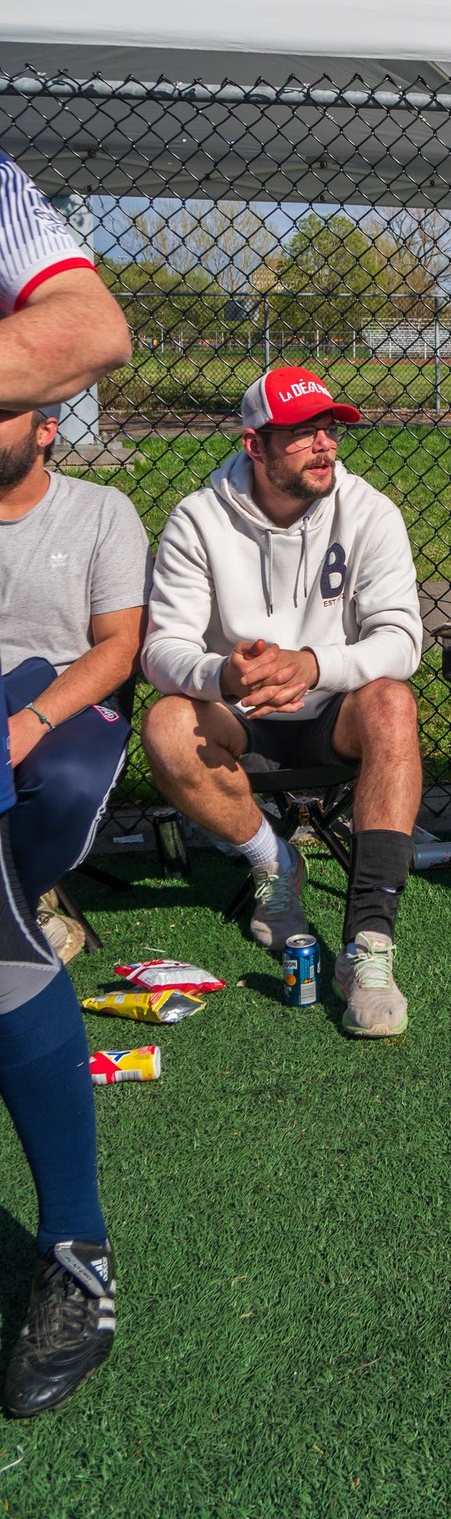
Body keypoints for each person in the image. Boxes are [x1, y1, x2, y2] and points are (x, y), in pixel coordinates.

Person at [141, 366, 424, 1038]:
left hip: (335, 710)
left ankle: (368, 946)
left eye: (329, 430)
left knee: (394, 702)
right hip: (240, 718)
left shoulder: (369, 511)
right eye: (300, 434)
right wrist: (223, 676)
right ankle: (275, 864)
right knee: (165, 723)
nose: (324, 445)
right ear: (253, 445)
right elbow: (161, 650)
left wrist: (315, 665)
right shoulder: (198, 517)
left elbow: (402, 640)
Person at [0, 153, 133, 1418]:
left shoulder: (97, 509)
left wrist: (34, 710)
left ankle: (79, 1248)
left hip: (44, 703)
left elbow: (92, 323)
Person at [0, 404, 149, 968]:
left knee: (66, 779)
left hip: (59, 692)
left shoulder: (101, 510)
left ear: (45, 431)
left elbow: (118, 645)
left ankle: (21, 901)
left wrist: (31, 722)